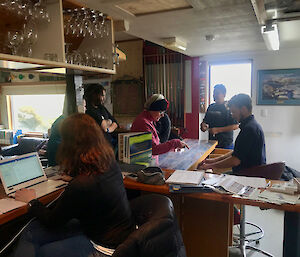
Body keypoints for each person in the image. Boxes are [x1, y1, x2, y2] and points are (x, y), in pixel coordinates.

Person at [14, 114, 134, 257]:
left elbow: (52, 221)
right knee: (34, 230)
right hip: (121, 234)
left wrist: (32, 202)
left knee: (41, 245)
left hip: (105, 247)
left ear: (69, 144)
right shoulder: (109, 163)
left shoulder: (81, 184)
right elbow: (94, 184)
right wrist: (74, 177)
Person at [198, 94, 266, 174]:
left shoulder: (250, 129)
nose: (232, 115)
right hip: (245, 172)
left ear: (243, 109)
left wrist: (210, 166)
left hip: (248, 175)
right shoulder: (250, 126)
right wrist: (210, 161)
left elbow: (235, 161)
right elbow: (236, 153)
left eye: (234, 112)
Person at [201, 84, 239, 149]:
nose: (214, 95)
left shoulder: (229, 107)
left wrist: (218, 130)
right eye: (214, 93)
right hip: (211, 144)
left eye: (217, 93)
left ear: (224, 95)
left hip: (226, 144)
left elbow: (235, 126)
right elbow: (205, 121)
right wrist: (203, 125)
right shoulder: (211, 107)